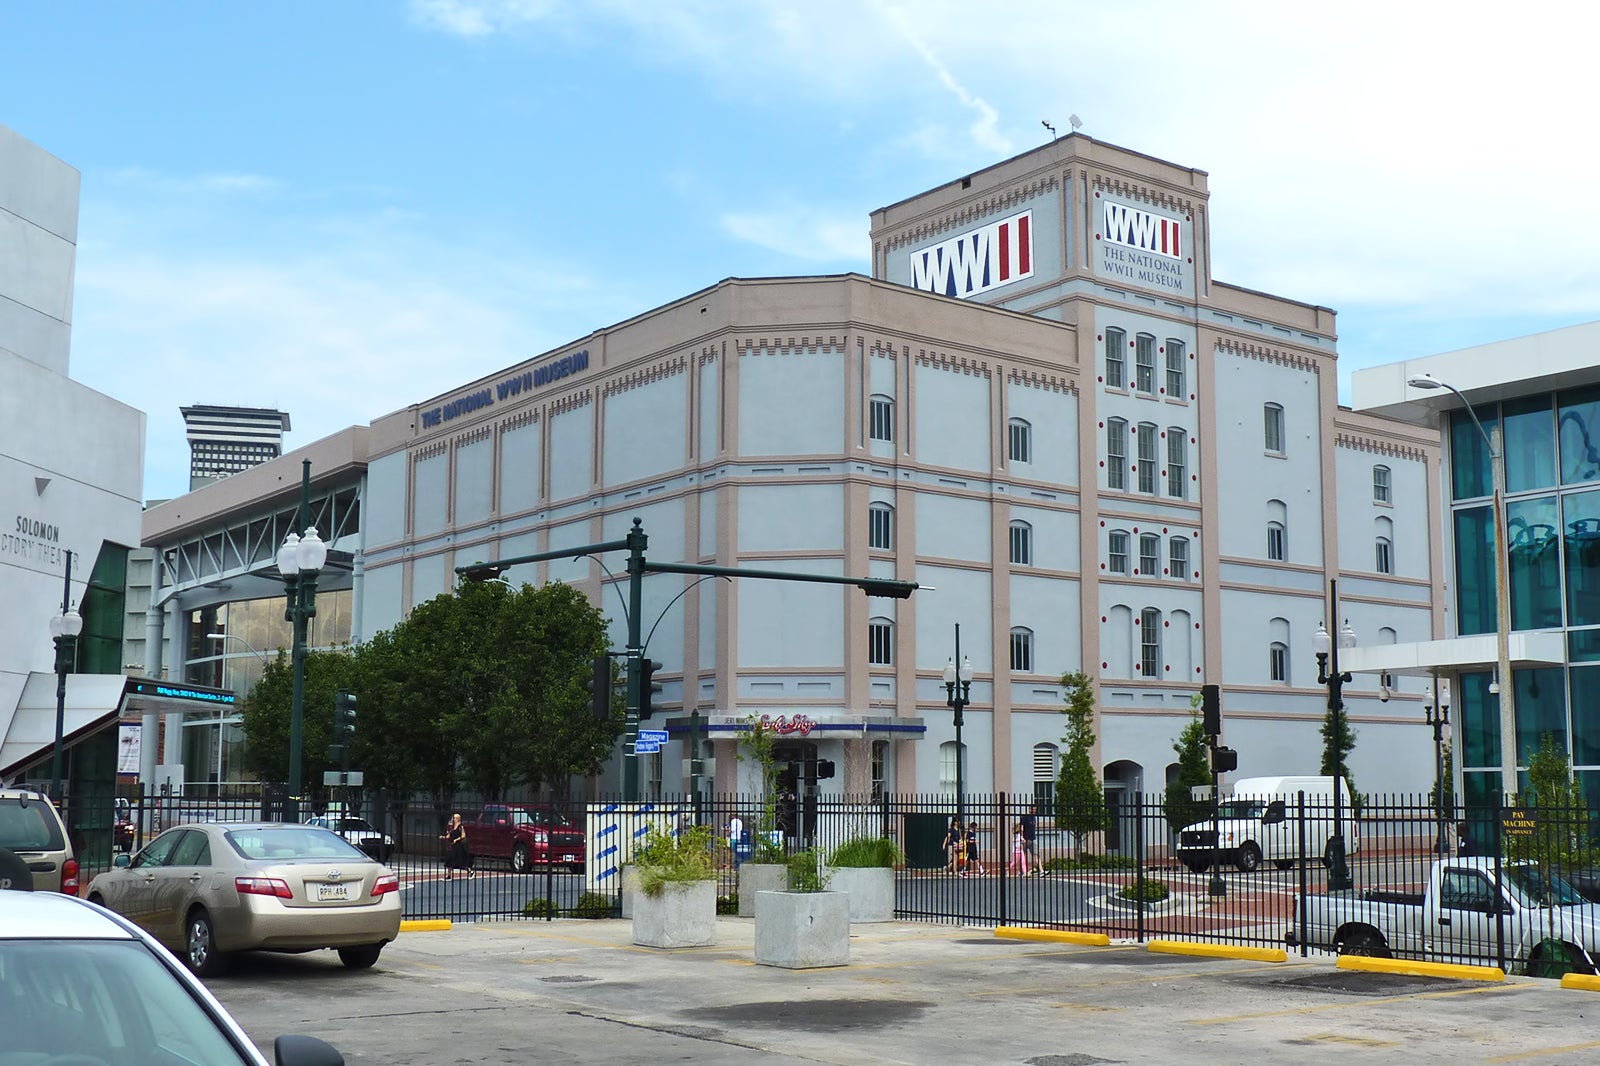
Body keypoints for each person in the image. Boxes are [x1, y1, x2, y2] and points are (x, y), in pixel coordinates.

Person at [440, 812, 473, 880]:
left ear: (458, 819)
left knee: (460, 861)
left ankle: (470, 871)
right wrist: (443, 837)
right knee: (449, 859)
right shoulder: (451, 827)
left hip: (459, 846)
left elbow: (463, 835)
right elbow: (449, 836)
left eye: (455, 818)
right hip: (453, 846)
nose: (453, 819)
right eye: (453, 818)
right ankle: (449, 875)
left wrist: (457, 839)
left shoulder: (460, 827)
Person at [1020, 803, 1039, 875]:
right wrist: (1022, 837)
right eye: (1033, 809)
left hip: (1032, 838)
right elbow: (1021, 827)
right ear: (1029, 809)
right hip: (1025, 839)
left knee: (1036, 854)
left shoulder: (1034, 818)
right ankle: (1022, 871)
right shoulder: (1025, 817)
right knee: (1023, 855)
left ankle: (1039, 869)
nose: (1034, 811)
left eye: (1035, 809)